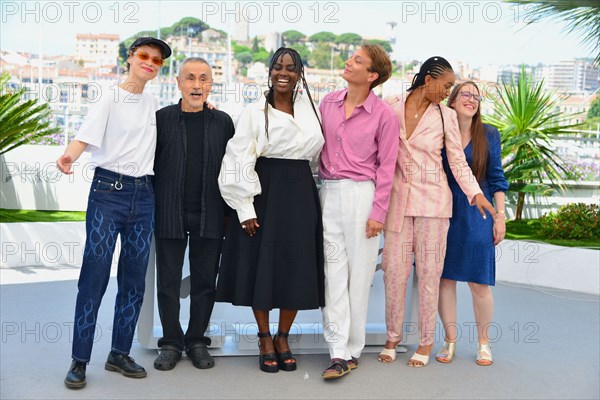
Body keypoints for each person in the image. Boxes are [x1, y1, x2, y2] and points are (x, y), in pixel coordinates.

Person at [57, 37, 171, 388]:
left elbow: (182, 124)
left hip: (144, 196)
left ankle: (119, 353)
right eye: (144, 56)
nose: (149, 62)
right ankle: (79, 359)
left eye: (157, 60)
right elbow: (85, 136)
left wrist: (207, 108)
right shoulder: (109, 96)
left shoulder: (155, 104)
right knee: (94, 277)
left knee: (134, 280)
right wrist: (68, 156)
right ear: (130, 58)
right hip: (108, 193)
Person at [379, 57, 496, 367]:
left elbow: (457, 161)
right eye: (445, 85)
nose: (448, 91)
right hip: (397, 203)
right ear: (428, 79)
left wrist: (476, 194)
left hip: (433, 204)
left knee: (430, 275)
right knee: (394, 272)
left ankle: (426, 342)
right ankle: (393, 336)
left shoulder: (445, 116)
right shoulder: (391, 105)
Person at [216, 47, 324, 373]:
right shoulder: (253, 111)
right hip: (264, 192)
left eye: (291, 68)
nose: (284, 72)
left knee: (295, 266)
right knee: (261, 265)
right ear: (270, 70)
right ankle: (264, 337)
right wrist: (244, 207)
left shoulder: (312, 111)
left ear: (299, 74)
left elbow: (319, 159)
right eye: (278, 66)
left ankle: (283, 336)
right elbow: (236, 160)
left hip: (301, 194)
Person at [318, 44, 400, 380]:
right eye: (351, 57)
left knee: (359, 277)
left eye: (357, 60)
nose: (349, 62)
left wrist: (378, 213)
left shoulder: (384, 115)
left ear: (372, 76)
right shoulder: (327, 103)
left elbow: (387, 167)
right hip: (328, 193)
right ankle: (337, 351)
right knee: (333, 273)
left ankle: (352, 350)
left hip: (362, 196)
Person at [152, 58, 234, 371]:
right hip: (169, 212)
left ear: (211, 85)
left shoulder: (223, 122)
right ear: (178, 83)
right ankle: (171, 343)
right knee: (168, 283)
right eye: (190, 78)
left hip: (211, 214)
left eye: (203, 79)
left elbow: (233, 170)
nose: (197, 85)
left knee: (204, 283)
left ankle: (197, 340)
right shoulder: (161, 119)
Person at [435, 81, 509, 366]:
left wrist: (499, 216)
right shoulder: (440, 132)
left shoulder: (489, 134)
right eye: (465, 94)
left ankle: (483, 344)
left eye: (476, 97)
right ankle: (450, 341)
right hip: (445, 208)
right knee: (445, 279)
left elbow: (497, 178)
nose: (472, 99)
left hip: (479, 211)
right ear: (451, 101)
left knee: (479, 282)